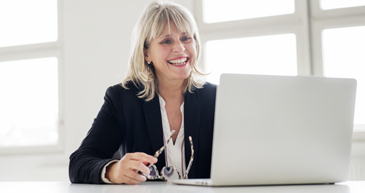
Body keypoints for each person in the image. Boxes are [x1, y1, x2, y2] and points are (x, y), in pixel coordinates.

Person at [69, 1, 216, 184]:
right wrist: (114, 171)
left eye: (186, 38)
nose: (180, 48)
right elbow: (79, 162)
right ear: (146, 53)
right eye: (166, 41)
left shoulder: (217, 98)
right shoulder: (122, 99)